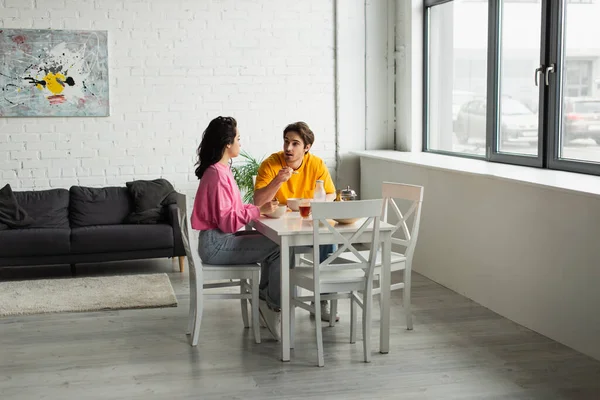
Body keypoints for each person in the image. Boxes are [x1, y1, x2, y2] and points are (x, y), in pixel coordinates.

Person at [191, 116, 282, 341]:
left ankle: (265, 301)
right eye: (238, 139)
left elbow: (235, 210)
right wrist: (259, 212)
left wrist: (260, 207)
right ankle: (271, 306)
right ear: (227, 143)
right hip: (217, 244)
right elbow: (228, 221)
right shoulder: (217, 174)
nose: (241, 143)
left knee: (277, 245)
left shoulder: (220, 170)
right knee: (280, 247)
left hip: (218, 239)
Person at [253, 121, 340, 321]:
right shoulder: (271, 163)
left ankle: (321, 301)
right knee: (284, 247)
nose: (288, 148)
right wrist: (278, 180)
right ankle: (274, 300)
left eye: (295, 143)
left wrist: (314, 203)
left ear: (306, 147)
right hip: (277, 223)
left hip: (306, 222)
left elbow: (331, 193)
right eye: (286, 142)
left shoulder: (316, 164)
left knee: (328, 241)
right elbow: (258, 202)